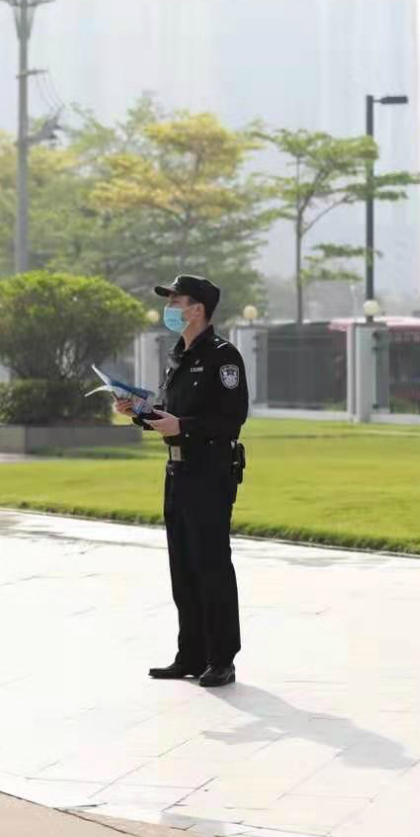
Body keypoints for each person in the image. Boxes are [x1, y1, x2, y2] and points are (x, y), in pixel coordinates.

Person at [118, 274, 248, 688]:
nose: (169, 308)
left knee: (212, 565)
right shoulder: (178, 356)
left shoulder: (223, 357)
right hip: (177, 471)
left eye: (176, 301)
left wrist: (184, 426)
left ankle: (221, 659)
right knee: (183, 566)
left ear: (198, 309)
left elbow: (231, 419)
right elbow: (169, 415)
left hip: (209, 472)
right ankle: (190, 654)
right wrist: (139, 412)